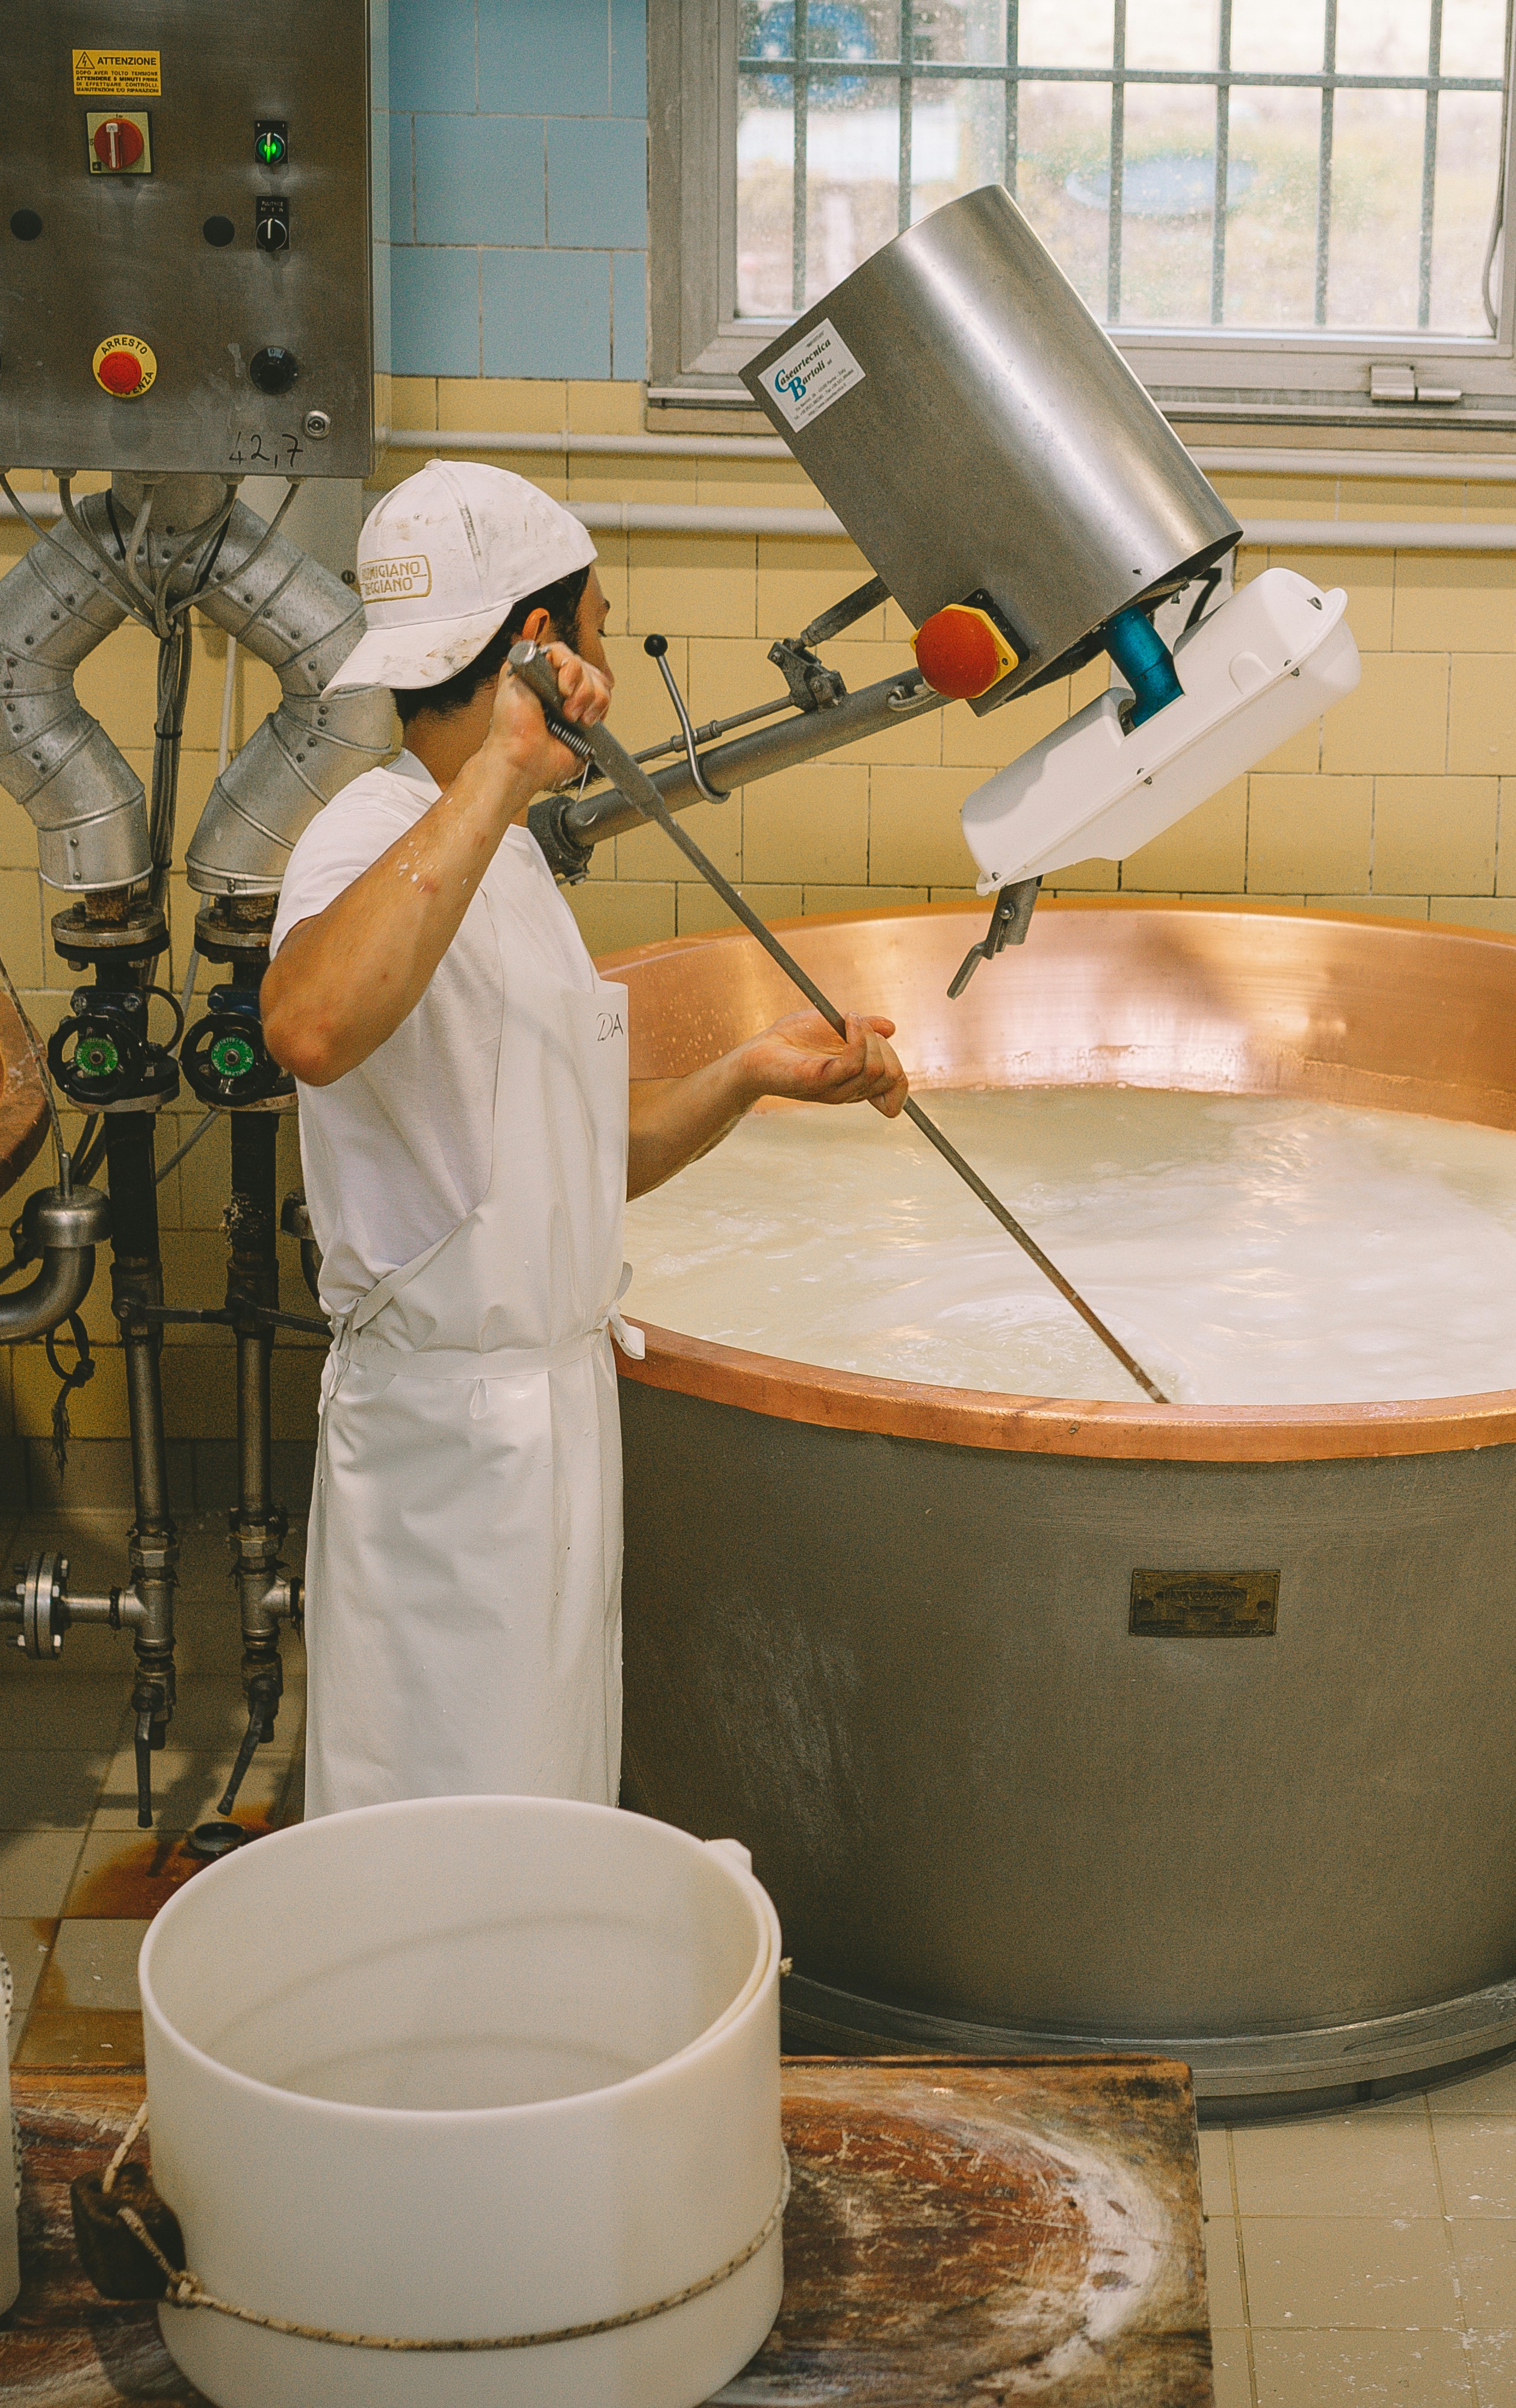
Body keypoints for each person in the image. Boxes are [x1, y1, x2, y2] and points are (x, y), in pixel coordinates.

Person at [261, 459, 908, 1815]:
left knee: (539, 1822)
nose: (610, 653)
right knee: (439, 1835)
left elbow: (570, 1168)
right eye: (597, 624)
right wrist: (502, 760)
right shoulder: (370, 834)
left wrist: (747, 1077)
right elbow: (310, 1025)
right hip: (449, 1457)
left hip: (544, 1421)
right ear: (542, 651)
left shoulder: (500, 861)